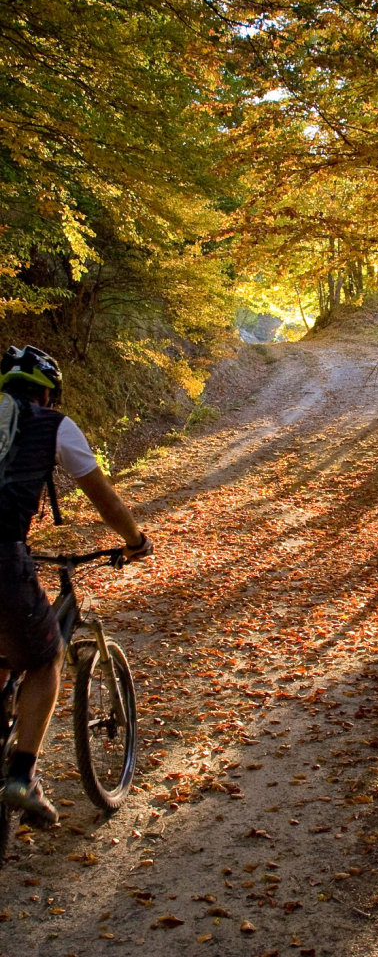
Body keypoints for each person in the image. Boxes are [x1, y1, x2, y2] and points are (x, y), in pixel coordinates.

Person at [0, 344, 152, 827]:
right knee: (45, 660)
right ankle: (22, 776)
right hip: (2, 556)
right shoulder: (52, 425)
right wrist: (135, 539)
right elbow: (101, 493)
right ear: (49, 394)